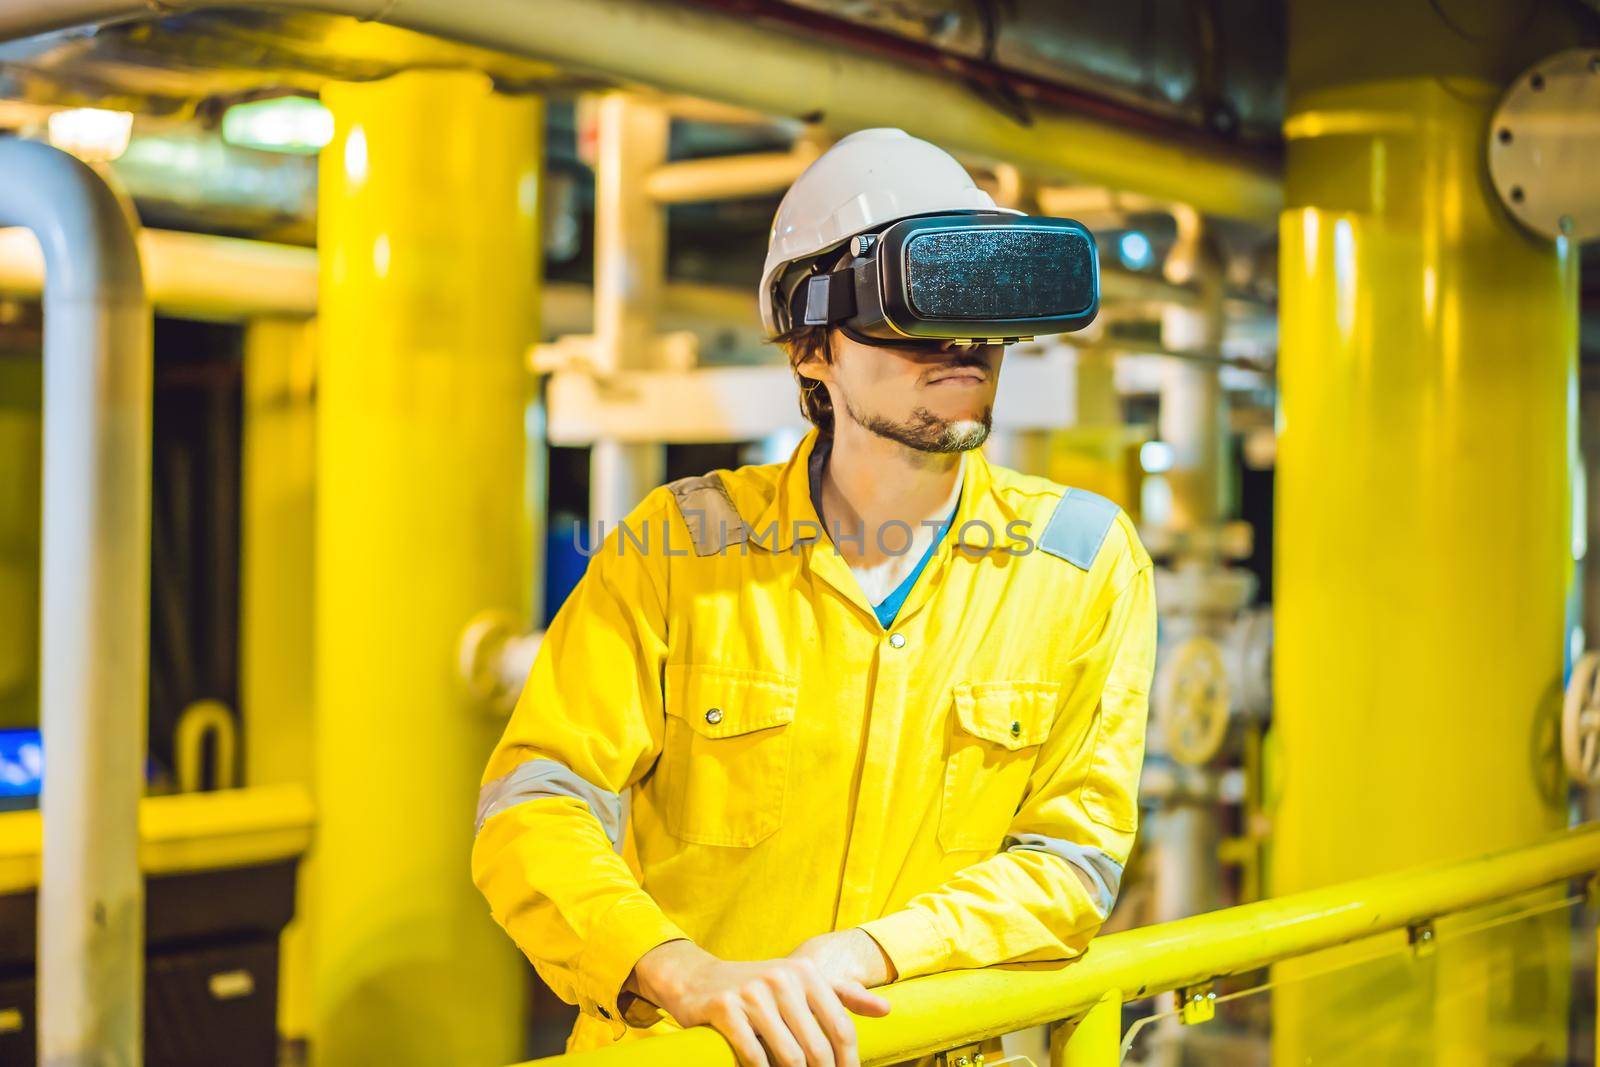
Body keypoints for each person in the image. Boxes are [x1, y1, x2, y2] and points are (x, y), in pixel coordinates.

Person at [472, 127, 1157, 1067]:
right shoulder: (675, 550)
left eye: (978, 301)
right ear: (810, 347)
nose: (962, 342)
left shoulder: (1080, 561)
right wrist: (679, 969)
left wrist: (868, 953)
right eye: (917, 303)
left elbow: (1071, 862)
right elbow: (536, 802)